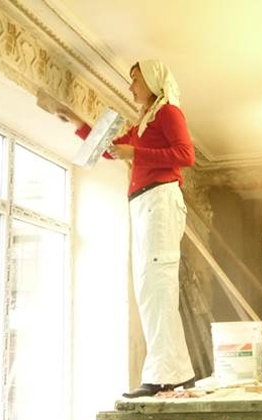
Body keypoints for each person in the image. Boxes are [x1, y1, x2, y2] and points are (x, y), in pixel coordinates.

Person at [60, 60, 196, 398]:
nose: (130, 86)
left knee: (156, 286)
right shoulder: (145, 122)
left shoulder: (168, 113)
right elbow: (111, 152)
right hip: (145, 204)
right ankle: (176, 372)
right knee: (150, 288)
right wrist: (77, 122)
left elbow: (185, 155)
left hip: (159, 200)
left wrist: (135, 152)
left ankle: (164, 375)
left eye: (135, 79)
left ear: (152, 81)